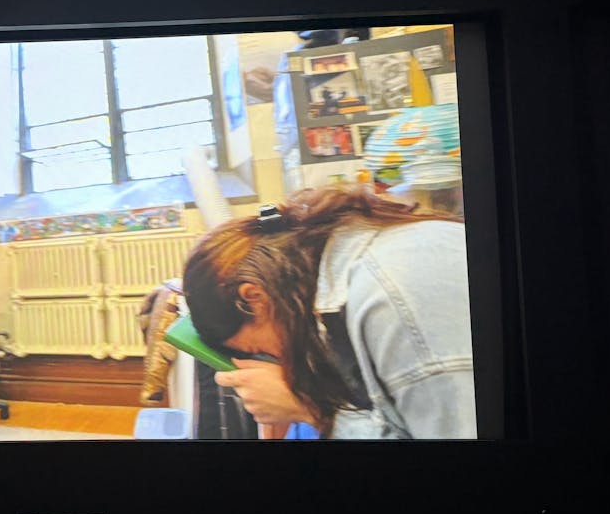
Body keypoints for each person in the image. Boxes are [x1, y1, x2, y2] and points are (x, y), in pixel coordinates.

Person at [181, 185, 476, 440]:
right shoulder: (348, 252)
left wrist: (311, 410)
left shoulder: (390, 301)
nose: (278, 361)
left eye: (259, 349)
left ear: (254, 298)